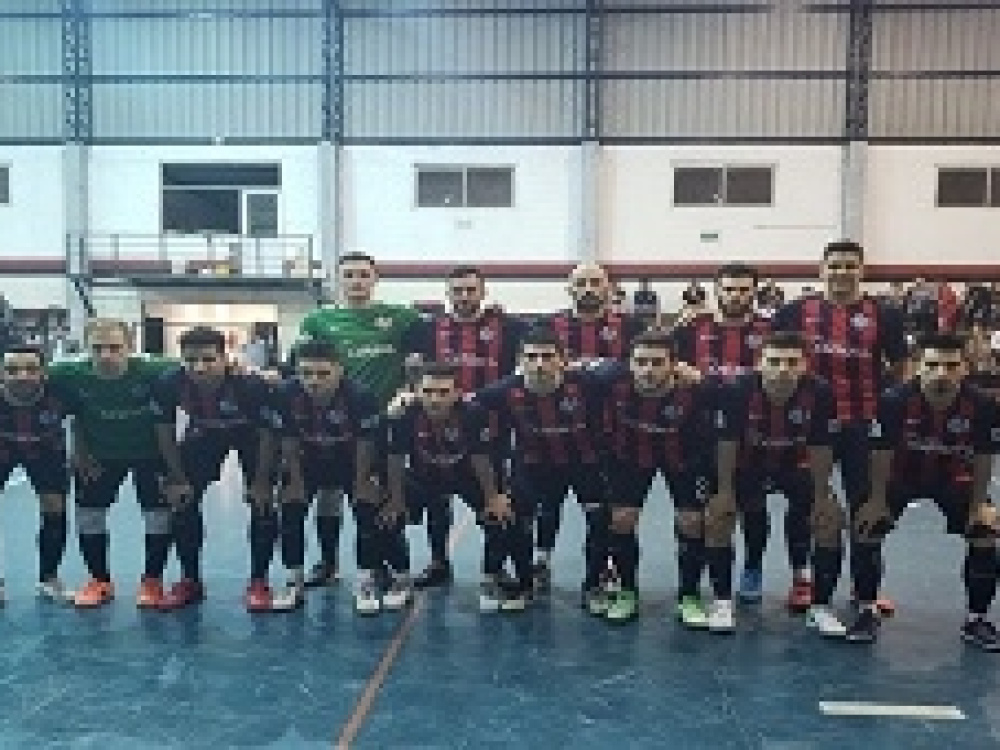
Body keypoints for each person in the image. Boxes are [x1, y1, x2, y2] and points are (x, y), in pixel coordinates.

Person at [774, 240, 908, 615]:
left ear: (861, 270)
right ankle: (802, 578)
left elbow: (900, 366)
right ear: (822, 270)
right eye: (835, 265)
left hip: (862, 425)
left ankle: (865, 585)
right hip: (806, 426)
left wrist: (890, 409)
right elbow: (775, 359)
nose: (842, 272)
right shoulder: (794, 311)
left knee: (864, 503)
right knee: (805, 501)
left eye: (850, 265)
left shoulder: (885, 313)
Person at [850, 333, 999, 649]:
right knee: (865, 525)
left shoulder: (983, 404)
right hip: (900, 477)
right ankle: (866, 609)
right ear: (918, 367)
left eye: (951, 366)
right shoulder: (894, 400)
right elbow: (881, 453)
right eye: (932, 365)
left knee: (985, 532)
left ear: (965, 368)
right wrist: (876, 500)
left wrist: (979, 505)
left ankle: (977, 619)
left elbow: (984, 457)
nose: (941, 373)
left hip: (955, 478)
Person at [297, 251, 423, 589]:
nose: (356, 281)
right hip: (332, 425)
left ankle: (381, 564)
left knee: (375, 497)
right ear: (339, 279)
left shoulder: (401, 318)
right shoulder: (318, 321)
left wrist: (410, 391)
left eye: (363, 274)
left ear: (375, 279)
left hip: (382, 424)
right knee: (329, 495)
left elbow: (424, 356)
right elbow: (297, 366)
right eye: (349, 274)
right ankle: (328, 563)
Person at [707, 332, 846, 636]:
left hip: (796, 465)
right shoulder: (737, 390)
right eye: (774, 361)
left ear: (805, 365)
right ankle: (722, 601)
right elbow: (727, 443)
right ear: (760, 364)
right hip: (747, 465)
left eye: (792, 362)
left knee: (830, 519)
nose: (783, 369)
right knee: (718, 517)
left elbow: (821, 446)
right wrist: (724, 492)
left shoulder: (820, 392)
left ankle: (820, 606)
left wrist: (823, 494)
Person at [402, 266, 524, 590]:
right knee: (437, 504)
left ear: (483, 292)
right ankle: (438, 562)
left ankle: (494, 570)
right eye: (458, 290)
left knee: (493, 503)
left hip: (491, 432)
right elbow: (412, 368)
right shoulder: (427, 329)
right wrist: (408, 395)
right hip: (434, 432)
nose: (464, 296)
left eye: (471, 290)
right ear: (448, 293)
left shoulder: (509, 328)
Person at [471, 328, 609, 605]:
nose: (539, 364)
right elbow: (461, 405)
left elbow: (622, 371)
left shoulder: (588, 383)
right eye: (531, 357)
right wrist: (410, 401)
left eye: (547, 356)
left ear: (562, 360)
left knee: (600, 521)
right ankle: (525, 583)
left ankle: (594, 585)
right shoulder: (503, 391)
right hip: (533, 465)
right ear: (520, 361)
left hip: (585, 464)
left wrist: (684, 373)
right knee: (516, 519)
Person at [47, 318, 177, 608]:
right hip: (98, 456)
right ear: (86, 349)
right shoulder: (67, 372)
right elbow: (25, 376)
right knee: (89, 515)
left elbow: (201, 370)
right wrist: (79, 450)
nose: (106, 355)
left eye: (115, 348)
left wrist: (244, 369)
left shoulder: (157, 368)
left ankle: (152, 581)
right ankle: (99, 580)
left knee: (158, 516)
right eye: (98, 348)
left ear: (130, 347)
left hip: (149, 454)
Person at [671, 263, 779, 603]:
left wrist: (707, 381)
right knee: (704, 509)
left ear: (755, 292)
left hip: (754, 432)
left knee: (753, 506)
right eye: (729, 289)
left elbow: (769, 377)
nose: (736, 296)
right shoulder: (691, 328)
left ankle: (753, 566)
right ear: (716, 291)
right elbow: (676, 368)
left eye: (744, 290)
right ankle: (704, 575)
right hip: (700, 432)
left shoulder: (771, 329)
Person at [151, 326, 274, 611]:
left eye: (208, 359)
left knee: (263, 504)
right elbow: (164, 433)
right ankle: (190, 579)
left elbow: (268, 434)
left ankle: (259, 581)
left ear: (224, 358)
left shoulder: (250, 385)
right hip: (206, 432)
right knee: (183, 501)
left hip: (250, 436)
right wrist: (177, 478)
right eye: (191, 360)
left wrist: (261, 481)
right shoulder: (169, 383)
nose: (199, 367)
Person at [596, 332, 714, 626]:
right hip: (630, 457)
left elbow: (734, 393)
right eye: (641, 362)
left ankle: (689, 596)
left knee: (692, 522)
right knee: (621, 519)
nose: (648, 370)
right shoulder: (609, 381)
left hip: (684, 459)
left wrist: (703, 379)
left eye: (657, 362)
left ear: (675, 364)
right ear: (630, 364)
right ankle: (627, 592)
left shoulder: (697, 389)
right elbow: (568, 374)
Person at [386, 363, 523, 612]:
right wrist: (395, 499)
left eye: (443, 392)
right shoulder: (404, 414)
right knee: (385, 515)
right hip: (424, 475)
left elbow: (482, 459)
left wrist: (493, 497)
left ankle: (491, 577)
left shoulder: (473, 413)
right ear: (416, 391)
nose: (434, 399)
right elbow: (395, 458)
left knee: (501, 517)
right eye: (427, 392)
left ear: (457, 393)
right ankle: (402, 578)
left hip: (467, 476)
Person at [270, 338, 380, 611]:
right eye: (306, 373)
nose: (314, 381)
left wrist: (362, 482)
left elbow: (366, 443)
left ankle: (366, 580)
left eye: (323, 373)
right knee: (291, 509)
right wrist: (294, 481)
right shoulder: (285, 393)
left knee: (366, 510)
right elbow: (288, 439)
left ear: (339, 370)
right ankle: (294, 579)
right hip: (308, 459)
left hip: (351, 459)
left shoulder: (360, 395)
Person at [0, 345, 71, 605]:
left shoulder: (61, 393)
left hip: (46, 449)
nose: (22, 376)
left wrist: (83, 453)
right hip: (3, 448)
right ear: (1, 373)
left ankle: (49, 578)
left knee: (54, 508)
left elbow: (85, 418)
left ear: (44, 372)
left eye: (31, 369)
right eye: (12, 370)